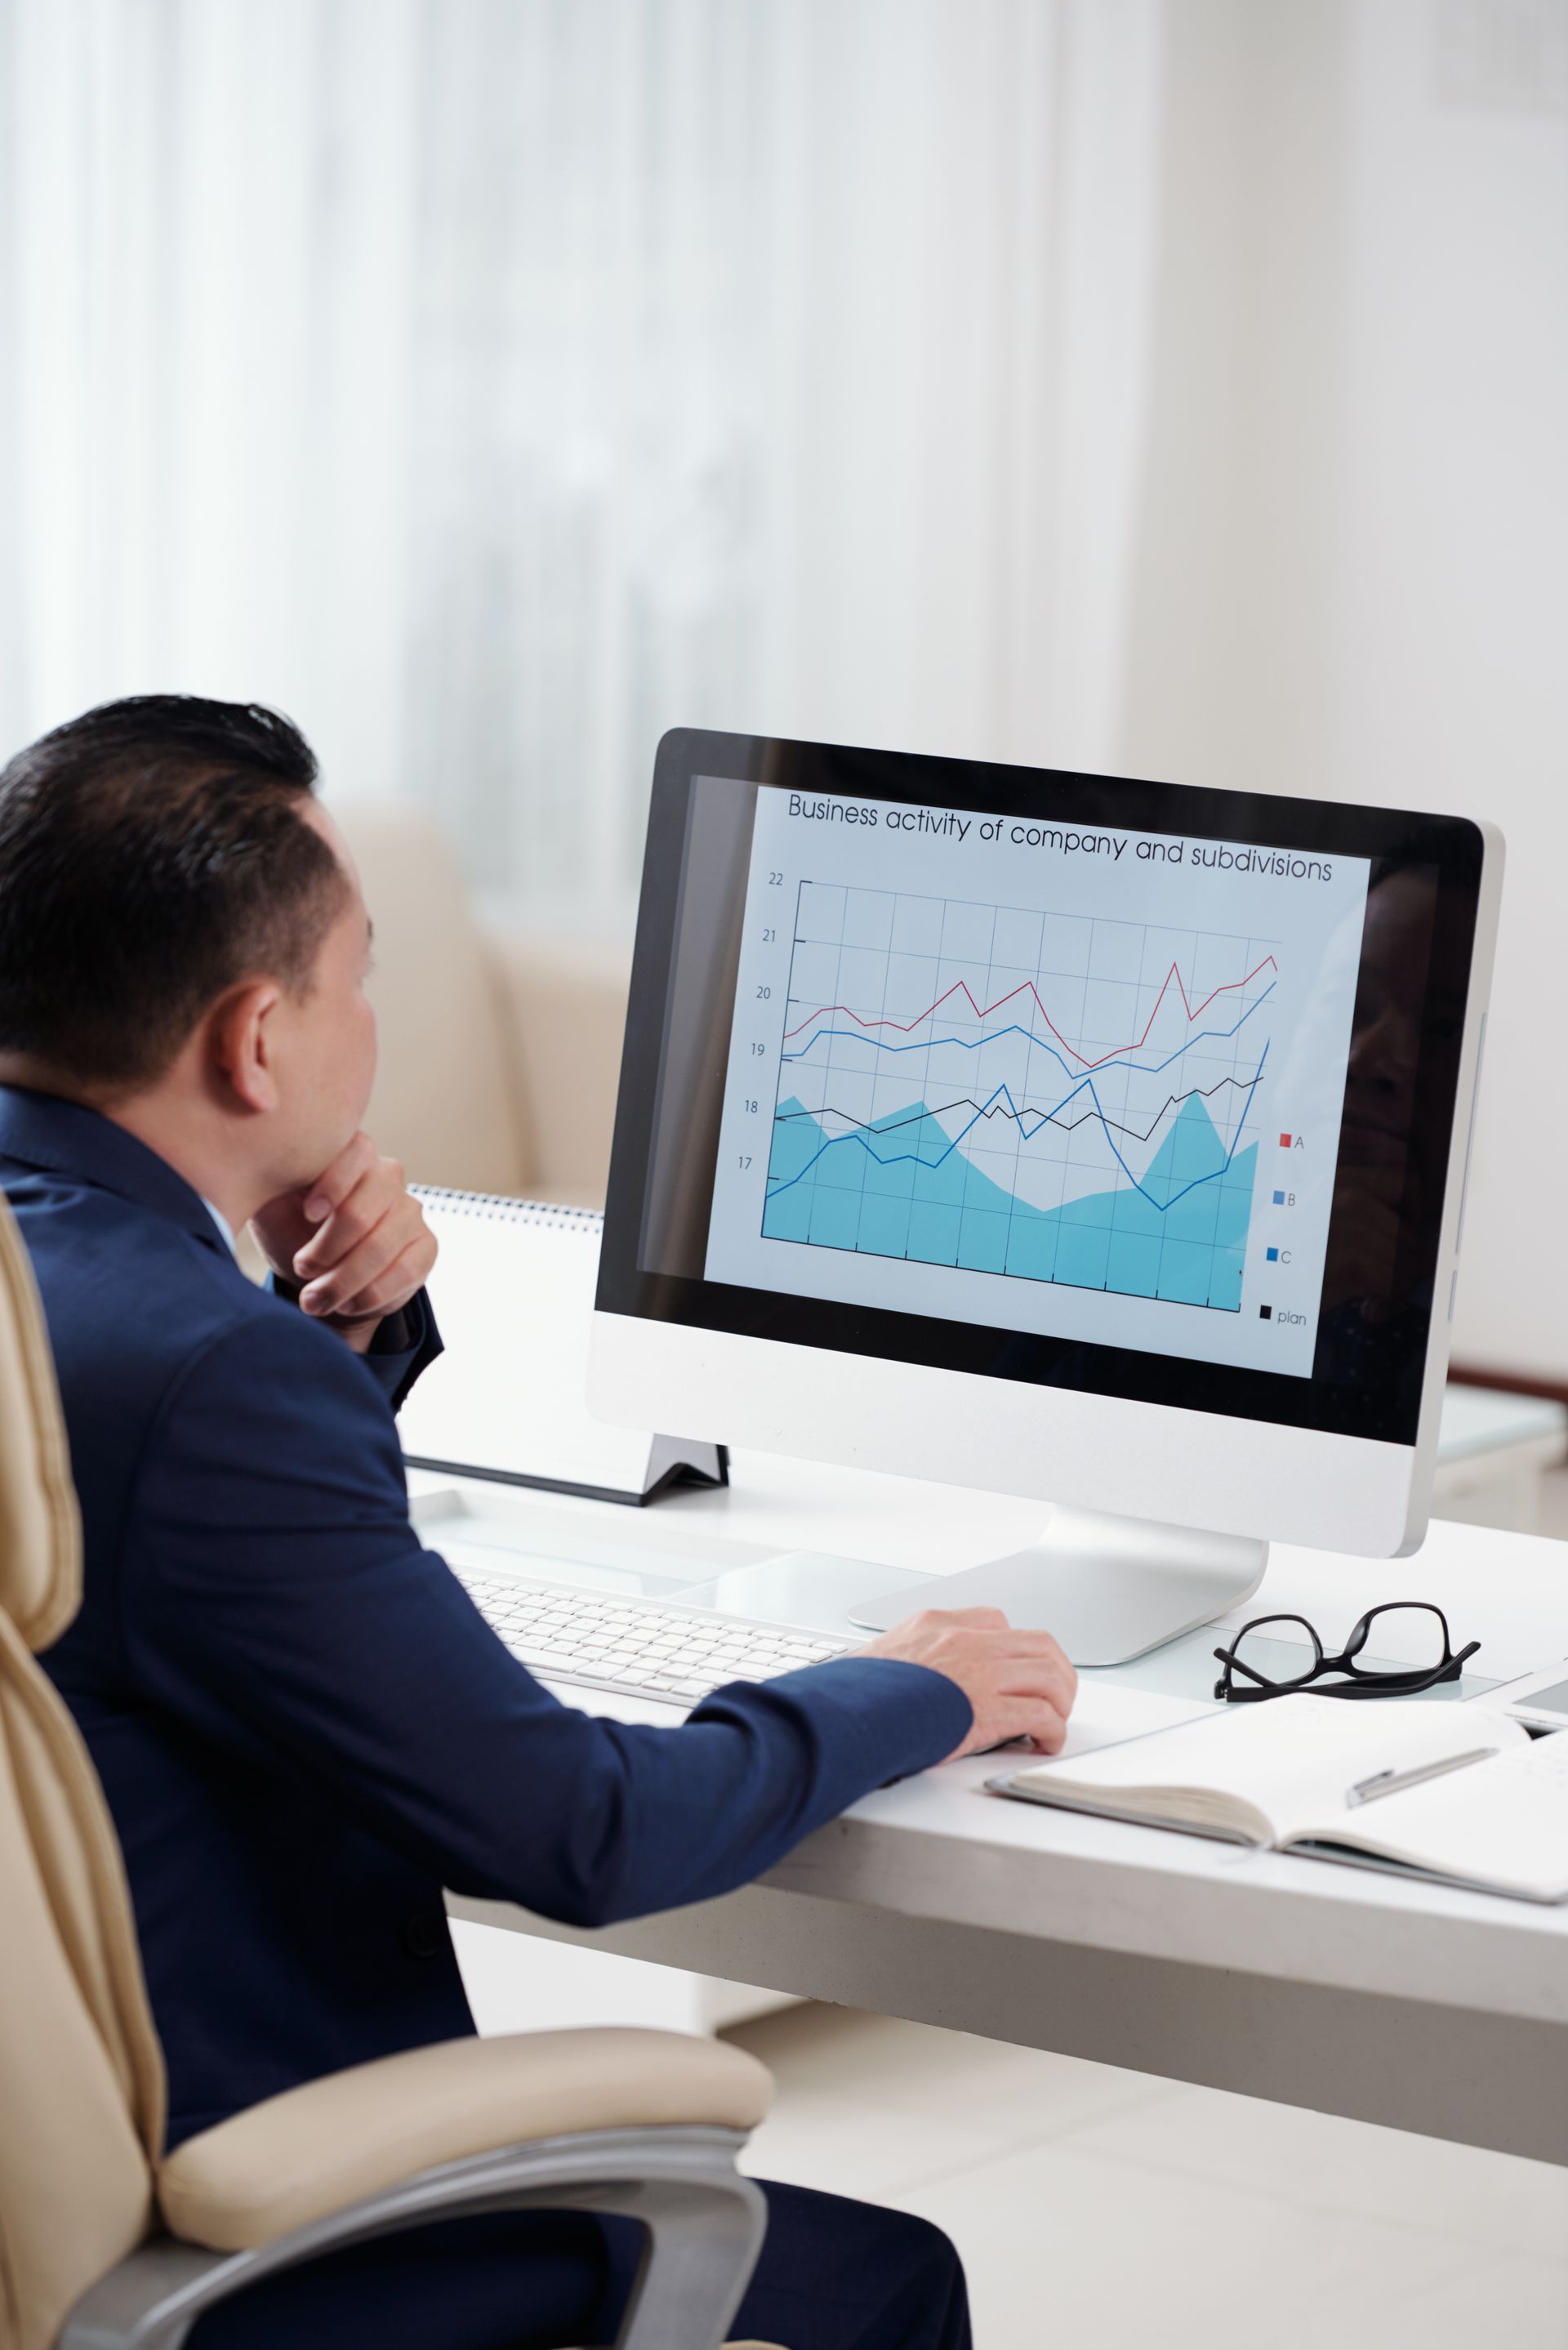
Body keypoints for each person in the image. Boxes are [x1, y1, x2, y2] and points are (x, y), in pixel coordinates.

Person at [0, 695, 1076, 2350]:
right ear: (255, 1041)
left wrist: (323, 1330)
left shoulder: (94, 1305)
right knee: (886, 2278)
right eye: (361, 976)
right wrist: (909, 1681)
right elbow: (578, 1829)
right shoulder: (209, 1375)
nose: (377, 1020)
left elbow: (169, 1584)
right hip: (226, 2228)